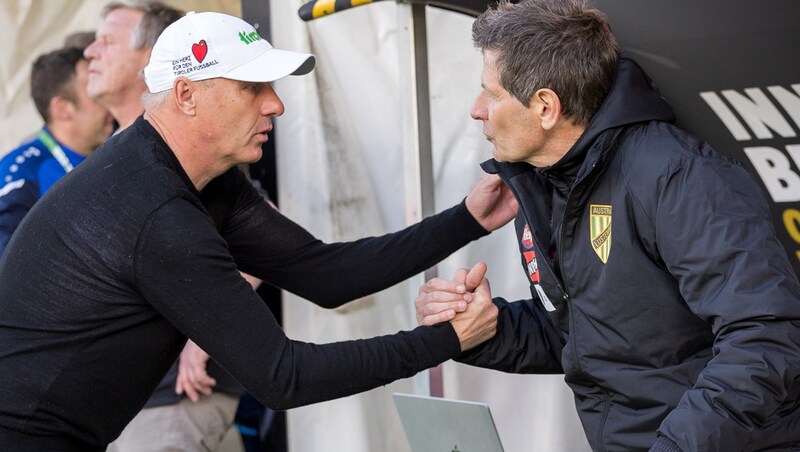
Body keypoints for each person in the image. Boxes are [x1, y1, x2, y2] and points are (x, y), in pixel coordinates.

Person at [0, 11, 515, 452]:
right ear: (185, 94)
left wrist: (467, 219)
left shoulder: (206, 179)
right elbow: (283, 377)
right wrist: (445, 339)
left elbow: (328, 275)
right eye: (252, 88)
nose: (275, 104)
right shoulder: (155, 208)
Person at [414, 1, 800, 451]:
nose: (477, 109)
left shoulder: (679, 176)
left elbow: (766, 336)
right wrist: (487, 328)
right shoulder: (546, 180)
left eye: (492, 94)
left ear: (545, 107)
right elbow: (595, 335)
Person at [0, 47, 113, 256]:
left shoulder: (113, 151)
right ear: (62, 108)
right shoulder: (21, 171)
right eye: (94, 94)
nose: (108, 103)